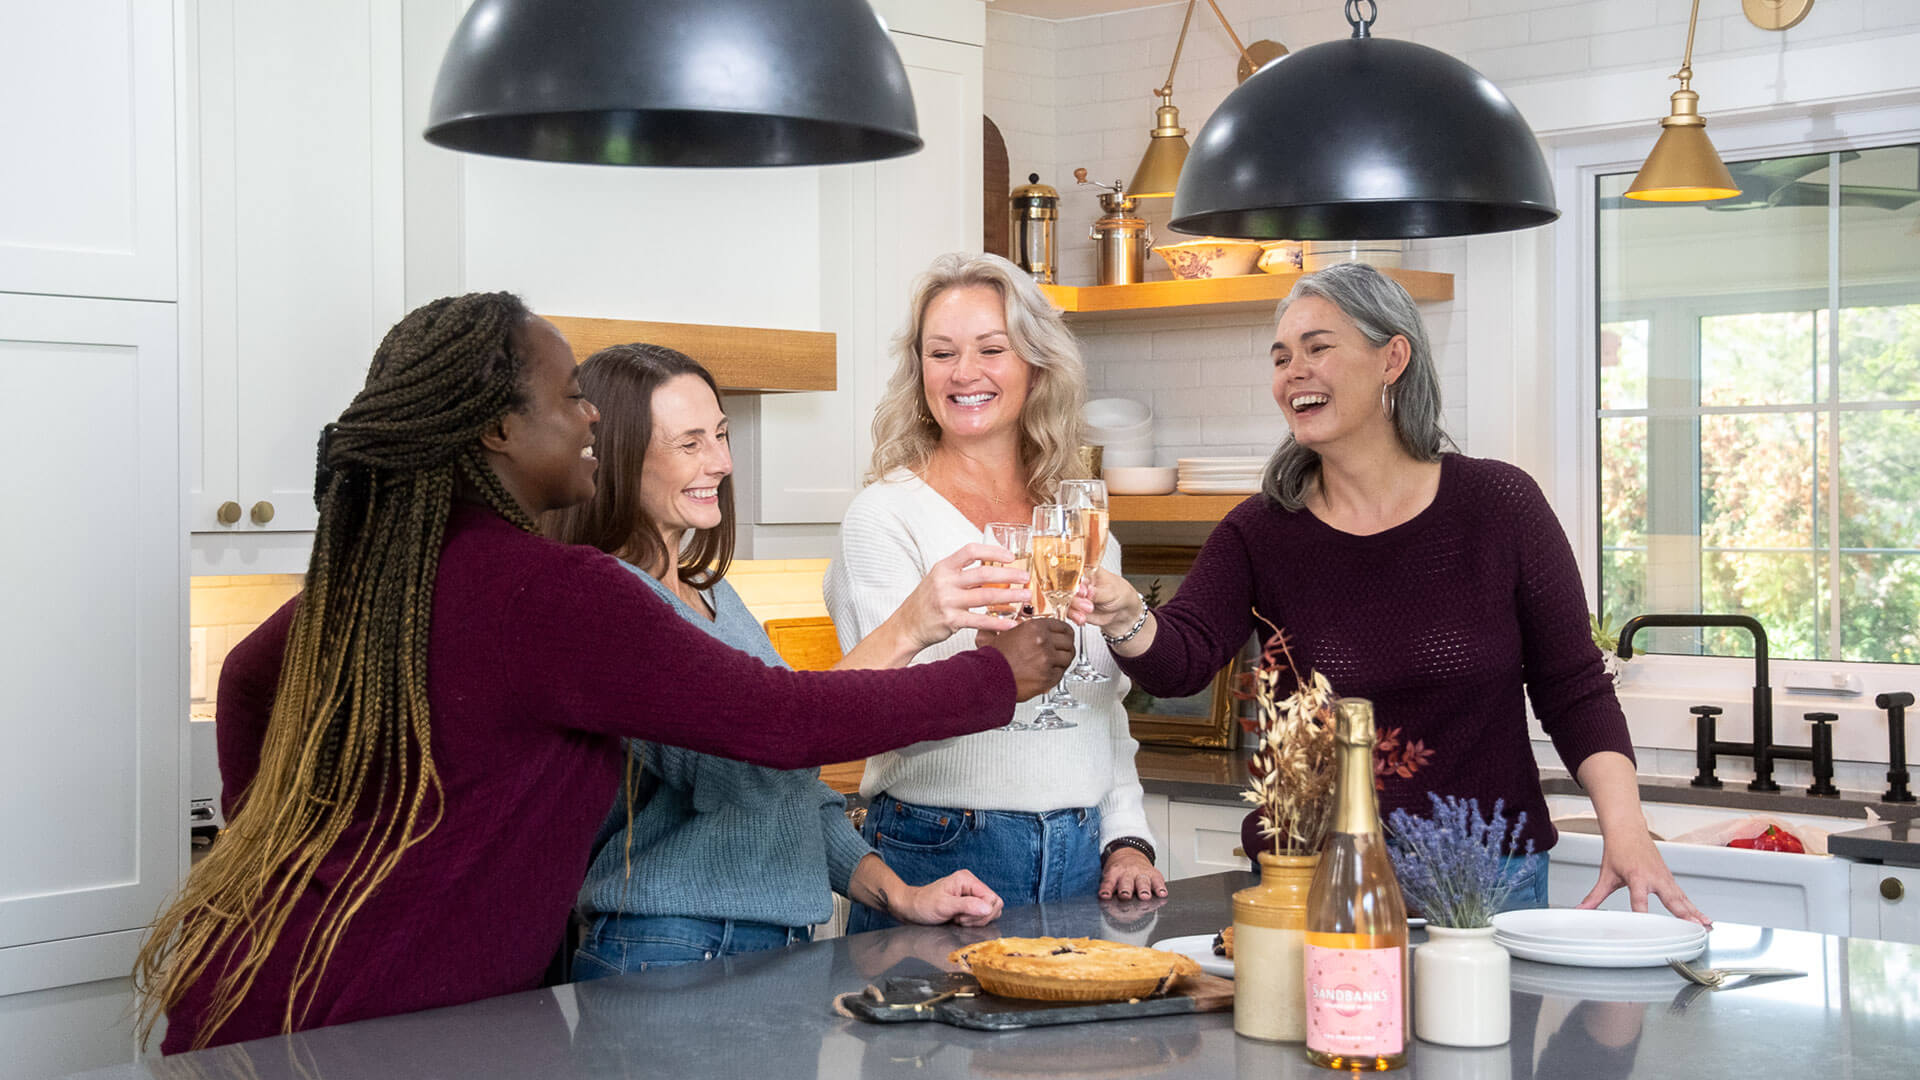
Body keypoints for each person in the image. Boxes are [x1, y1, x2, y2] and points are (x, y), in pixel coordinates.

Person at [133, 293, 1076, 1052]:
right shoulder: (552, 591)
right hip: (380, 1019)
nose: (589, 414)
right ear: (499, 429)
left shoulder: (405, 568)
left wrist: (281, 841)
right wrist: (996, 677)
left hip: (268, 987)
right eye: (565, 396)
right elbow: (777, 722)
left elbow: (249, 678)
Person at [1081, 262, 1709, 925]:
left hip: (1484, 881)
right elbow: (1180, 661)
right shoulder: (1259, 532)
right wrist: (1127, 616)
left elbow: (1574, 687)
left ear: (1393, 358)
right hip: (1314, 880)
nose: (1293, 371)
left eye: (1318, 347)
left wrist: (1628, 833)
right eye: (1280, 357)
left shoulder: (1500, 505)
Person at [545, 344, 1023, 976]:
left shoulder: (714, 593)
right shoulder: (615, 603)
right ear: (619, 459)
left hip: (762, 945)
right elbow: (759, 763)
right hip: (670, 947)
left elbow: (786, 793)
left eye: (720, 434)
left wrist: (900, 893)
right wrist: (912, 627)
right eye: (689, 444)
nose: (721, 461)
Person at [824, 252, 1164, 934]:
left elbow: (1107, 706)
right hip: (941, 849)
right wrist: (990, 672)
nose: (964, 373)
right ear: (919, 371)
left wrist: (1126, 833)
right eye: (941, 353)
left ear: (1035, 364)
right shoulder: (885, 516)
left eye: (991, 349)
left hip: (1083, 858)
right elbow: (876, 707)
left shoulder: (1075, 519)